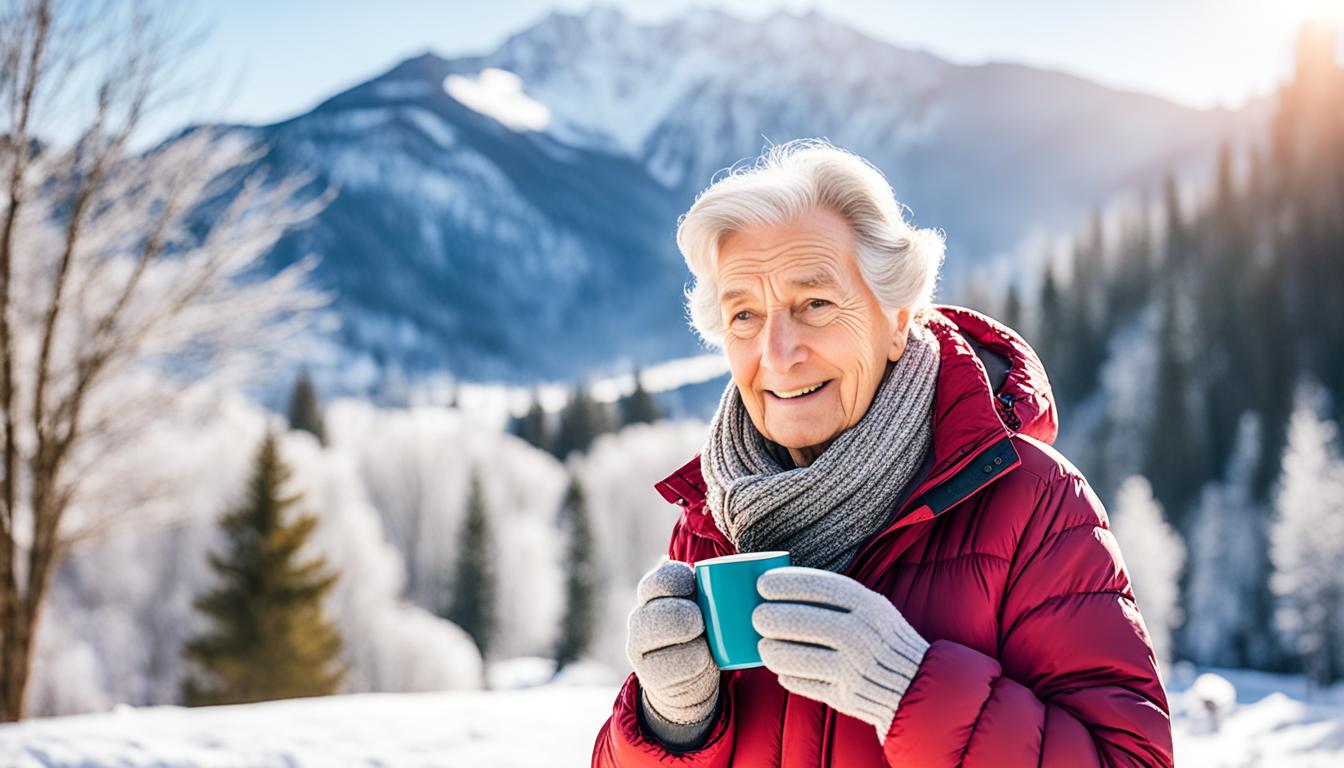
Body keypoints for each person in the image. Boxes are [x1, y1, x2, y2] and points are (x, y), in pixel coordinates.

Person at [590, 139, 1173, 767]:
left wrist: (908, 686)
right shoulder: (712, 520)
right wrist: (668, 724)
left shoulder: (1032, 500)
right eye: (744, 317)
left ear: (897, 319)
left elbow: (1131, 760)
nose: (778, 353)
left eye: (814, 304)